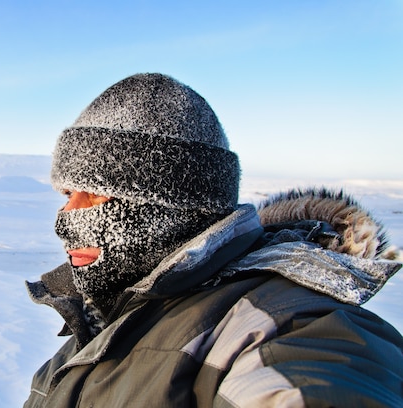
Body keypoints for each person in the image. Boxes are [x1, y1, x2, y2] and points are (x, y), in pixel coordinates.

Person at [24, 73, 403, 407]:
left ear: (176, 202)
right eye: (66, 194)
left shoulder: (279, 326)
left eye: (95, 192)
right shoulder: (98, 319)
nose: (67, 216)